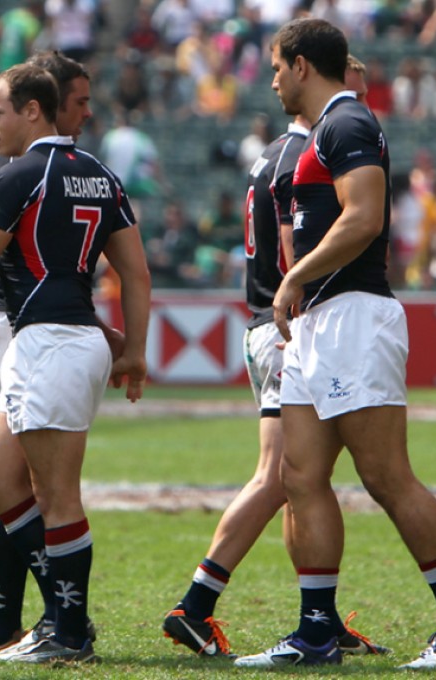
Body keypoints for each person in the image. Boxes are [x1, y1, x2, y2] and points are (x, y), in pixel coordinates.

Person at [233, 18, 436, 669]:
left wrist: (294, 277)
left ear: (302, 65)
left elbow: (365, 216)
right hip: (316, 325)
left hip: (353, 317)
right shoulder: (322, 133)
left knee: (387, 476)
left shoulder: (346, 123)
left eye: (277, 67)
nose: (272, 80)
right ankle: (315, 632)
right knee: (299, 475)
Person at [163, 98, 388, 660]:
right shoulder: (304, 155)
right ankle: (196, 605)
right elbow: (295, 253)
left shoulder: (270, 154)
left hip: (265, 322)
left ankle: (321, 618)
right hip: (287, 321)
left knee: (299, 482)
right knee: (282, 476)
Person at [0, 62, 151, 664]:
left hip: (46, 341)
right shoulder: (100, 174)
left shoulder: (19, 176)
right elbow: (135, 272)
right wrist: (135, 350)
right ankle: (44, 619)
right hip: (80, 338)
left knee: (55, 494)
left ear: (31, 110)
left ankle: (66, 630)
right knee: (10, 481)